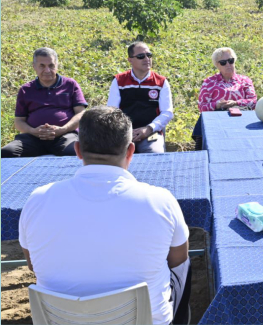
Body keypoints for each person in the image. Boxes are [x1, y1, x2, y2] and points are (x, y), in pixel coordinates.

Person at [19, 106, 191, 325]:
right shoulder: (161, 200)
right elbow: (178, 260)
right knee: (182, 268)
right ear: (130, 151)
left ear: (78, 150)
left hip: (59, 319)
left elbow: (33, 263)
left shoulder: (37, 200)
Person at [2, 47, 88, 158]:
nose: (47, 70)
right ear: (34, 67)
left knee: (77, 153)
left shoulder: (70, 85)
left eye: (51, 66)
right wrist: (33, 131)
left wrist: (63, 129)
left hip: (65, 136)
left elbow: (81, 114)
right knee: (6, 153)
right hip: (33, 138)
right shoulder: (26, 89)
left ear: (57, 66)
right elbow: (19, 121)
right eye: (42, 66)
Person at [107, 42, 173, 154]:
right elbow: (112, 111)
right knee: (111, 155)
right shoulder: (119, 81)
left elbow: (167, 113)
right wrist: (126, 132)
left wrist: (148, 129)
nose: (147, 59)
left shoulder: (161, 82)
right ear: (130, 60)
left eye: (149, 55)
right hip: (123, 133)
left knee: (155, 154)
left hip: (151, 133)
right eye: (141, 56)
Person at [192, 47, 257, 149]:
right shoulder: (209, 83)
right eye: (223, 62)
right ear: (217, 65)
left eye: (231, 61)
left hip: (240, 118)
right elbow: (202, 107)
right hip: (217, 121)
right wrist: (216, 104)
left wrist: (236, 103)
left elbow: (253, 102)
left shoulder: (245, 81)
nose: (228, 64)